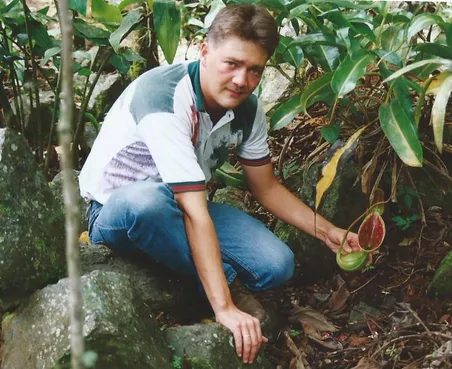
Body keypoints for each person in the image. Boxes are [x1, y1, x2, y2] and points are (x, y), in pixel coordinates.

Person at [79, 3, 363, 364]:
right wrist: (225, 306)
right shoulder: (165, 97)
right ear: (205, 51)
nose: (242, 80)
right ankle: (222, 287)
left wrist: (326, 230)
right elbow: (195, 213)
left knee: (277, 264)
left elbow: (266, 187)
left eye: (254, 69)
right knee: (146, 204)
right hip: (116, 210)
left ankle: (193, 278)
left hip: (183, 204)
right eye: (232, 63)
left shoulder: (248, 107)